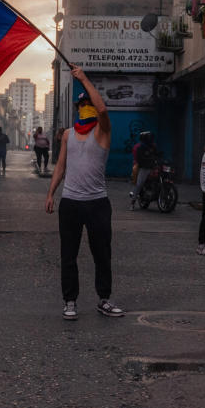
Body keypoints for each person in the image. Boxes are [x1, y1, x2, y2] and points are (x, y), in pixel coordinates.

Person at [45, 68, 124, 320]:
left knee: (102, 254)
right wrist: (51, 193)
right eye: (81, 104)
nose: (85, 107)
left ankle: (104, 299)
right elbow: (61, 165)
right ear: (77, 108)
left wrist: (84, 79)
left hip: (97, 203)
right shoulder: (68, 134)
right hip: (70, 203)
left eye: (87, 103)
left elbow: (102, 111)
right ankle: (70, 301)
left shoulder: (102, 132)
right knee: (68, 254)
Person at [128, 131, 158, 209]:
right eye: (149, 137)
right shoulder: (140, 147)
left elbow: (157, 154)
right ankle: (132, 203)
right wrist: (147, 161)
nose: (150, 139)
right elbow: (139, 159)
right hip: (144, 167)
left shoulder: (153, 146)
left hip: (152, 167)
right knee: (139, 184)